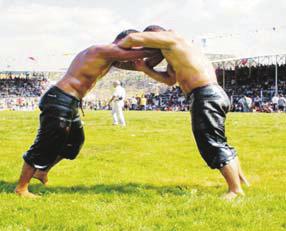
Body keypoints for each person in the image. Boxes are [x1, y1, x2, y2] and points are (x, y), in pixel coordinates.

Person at [15, 29, 159, 198]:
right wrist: (166, 43)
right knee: (46, 144)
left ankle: (42, 172)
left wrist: (163, 52)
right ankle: (21, 188)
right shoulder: (101, 50)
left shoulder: (111, 59)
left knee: (75, 142)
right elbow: (146, 52)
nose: (136, 52)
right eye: (135, 46)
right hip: (59, 99)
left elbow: (145, 64)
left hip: (70, 102)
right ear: (128, 42)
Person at [118, 25, 249, 200]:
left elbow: (133, 39)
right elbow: (170, 80)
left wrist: (113, 50)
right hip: (207, 95)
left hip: (206, 95)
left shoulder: (172, 38)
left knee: (212, 143)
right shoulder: (175, 53)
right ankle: (240, 181)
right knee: (218, 140)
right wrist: (145, 69)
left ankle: (235, 190)